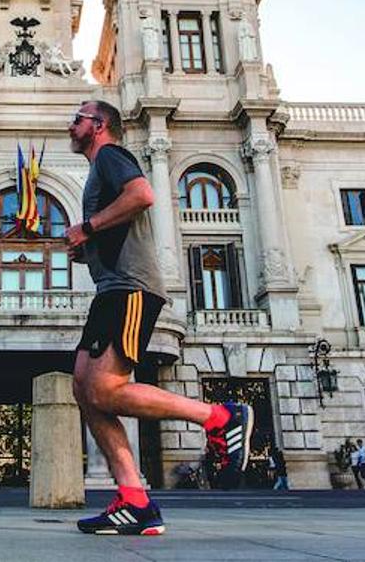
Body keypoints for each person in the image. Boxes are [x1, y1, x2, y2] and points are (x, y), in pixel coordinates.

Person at [66, 100, 253, 537]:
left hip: (131, 287)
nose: (70, 125)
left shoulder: (112, 156)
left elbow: (142, 196)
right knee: (83, 387)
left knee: (105, 389)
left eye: (77, 118)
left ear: (98, 125)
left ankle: (221, 417)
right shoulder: (99, 167)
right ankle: (134, 501)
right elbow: (121, 218)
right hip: (111, 288)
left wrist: (88, 228)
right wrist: (87, 246)